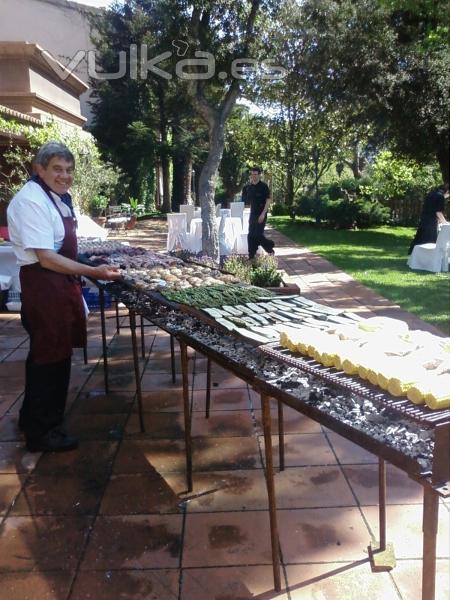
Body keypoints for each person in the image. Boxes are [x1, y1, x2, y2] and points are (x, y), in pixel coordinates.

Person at [7, 141, 121, 453]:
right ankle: (43, 433)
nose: (64, 175)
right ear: (39, 169)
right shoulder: (31, 201)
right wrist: (94, 273)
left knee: (51, 356)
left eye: (69, 170)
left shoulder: (56, 198)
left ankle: (32, 418)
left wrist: (90, 263)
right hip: (45, 286)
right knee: (49, 359)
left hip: (59, 286)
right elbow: (46, 258)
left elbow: (65, 245)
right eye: (57, 168)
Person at [242, 166, 275, 259]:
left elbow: (268, 200)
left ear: (259, 175)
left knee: (258, 234)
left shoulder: (263, 186)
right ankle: (251, 255)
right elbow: (245, 202)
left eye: (255, 174)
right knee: (251, 235)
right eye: (252, 174)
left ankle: (269, 247)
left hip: (261, 213)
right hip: (252, 214)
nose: (253, 176)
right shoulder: (247, 187)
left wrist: (263, 213)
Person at [408, 184, 449, 254]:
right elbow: (438, 212)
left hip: (424, 219)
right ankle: (427, 260)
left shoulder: (431, 194)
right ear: (447, 191)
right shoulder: (440, 197)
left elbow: (431, 208)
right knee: (430, 242)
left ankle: (414, 257)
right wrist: (445, 223)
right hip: (431, 222)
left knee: (420, 239)